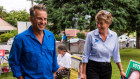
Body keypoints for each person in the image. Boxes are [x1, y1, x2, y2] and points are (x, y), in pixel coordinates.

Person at [8, 4, 59, 79]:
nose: (43, 22)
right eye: (39, 18)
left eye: (45, 19)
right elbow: (14, 62)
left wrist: (54, 75)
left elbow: (54, 58)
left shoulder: (50, 36)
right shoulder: (20, 39)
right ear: (31, 19)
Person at [81, 10, 126, 79]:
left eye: (101, 23)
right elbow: (85, 55)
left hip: (107, 68)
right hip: (92, 67)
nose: (98, 26)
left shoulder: (114, 36)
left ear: (108, 24)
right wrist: (83, 73)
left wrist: (121, 71)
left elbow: (116, 55)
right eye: (97, 23)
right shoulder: (91, 35)